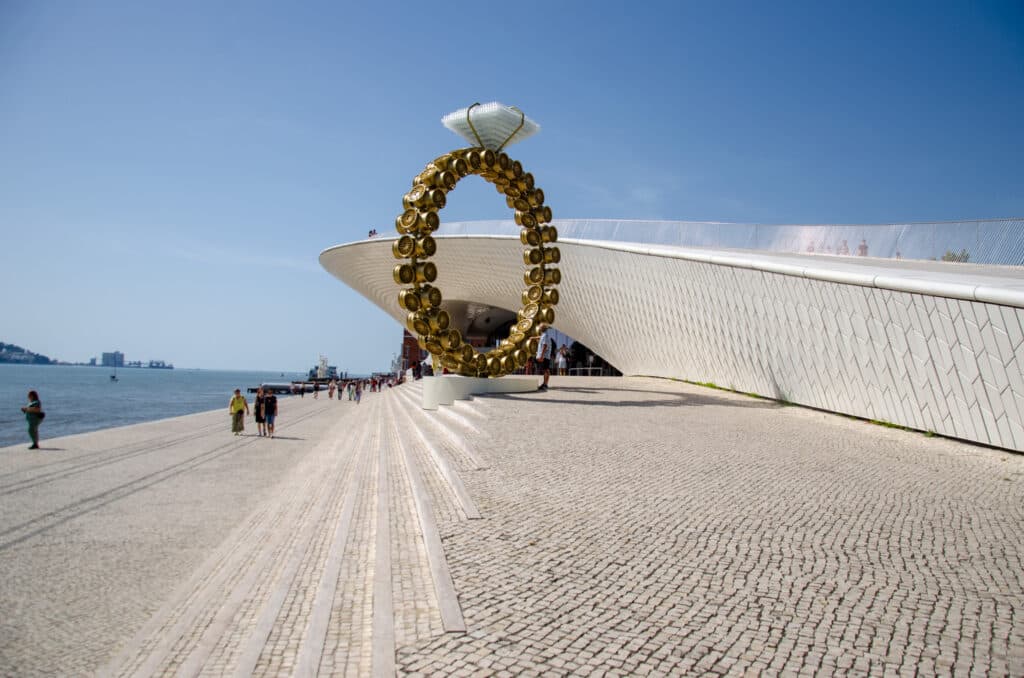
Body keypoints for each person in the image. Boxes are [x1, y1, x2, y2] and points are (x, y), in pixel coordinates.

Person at [536, 323, 553, 391]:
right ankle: (545, 384)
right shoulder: (544, 335)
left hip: (544, 356)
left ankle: (545, 384)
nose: (539, 328)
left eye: (540, 327)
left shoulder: (545, 335)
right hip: (545, 356)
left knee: (546, 370)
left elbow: (545, 345)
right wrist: (533, 338)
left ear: (542, 328)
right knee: (545, 370)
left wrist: (542, 356)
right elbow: (540, 338)